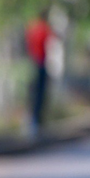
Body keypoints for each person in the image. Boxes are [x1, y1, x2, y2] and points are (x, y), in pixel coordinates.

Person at [25, 8, 53, 139]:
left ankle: (33, 121)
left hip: (32, 63)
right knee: (40, 95)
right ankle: (36, 122)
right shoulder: (43, 29)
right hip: (40, 63)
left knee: (33, 94)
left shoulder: (32, 28)